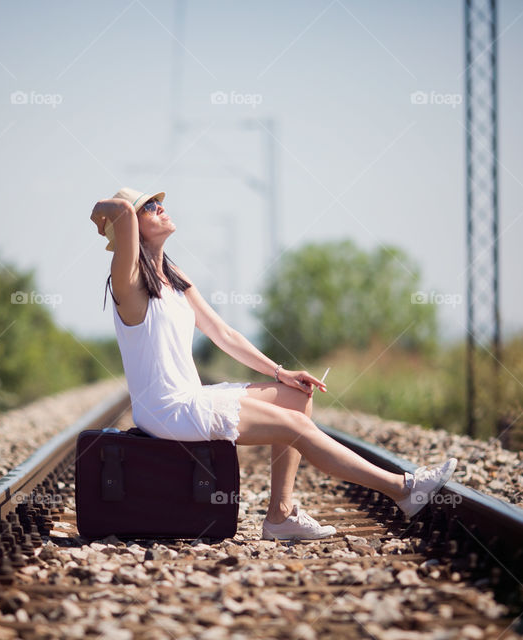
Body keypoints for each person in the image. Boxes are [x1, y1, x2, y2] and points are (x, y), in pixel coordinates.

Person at [90, 187, 457, 541]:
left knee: (295, 398)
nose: (160, 207)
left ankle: (280, 516)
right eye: (149, 206)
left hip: (191, 397)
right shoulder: (129, 283)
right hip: (168, 409)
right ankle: (403, 489)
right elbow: (120, 214)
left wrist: (280, 372)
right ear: (132, 225)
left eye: (158, 202)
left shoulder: (174, 278)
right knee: (296, 427)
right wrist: (104, 209)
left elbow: (224, 334)